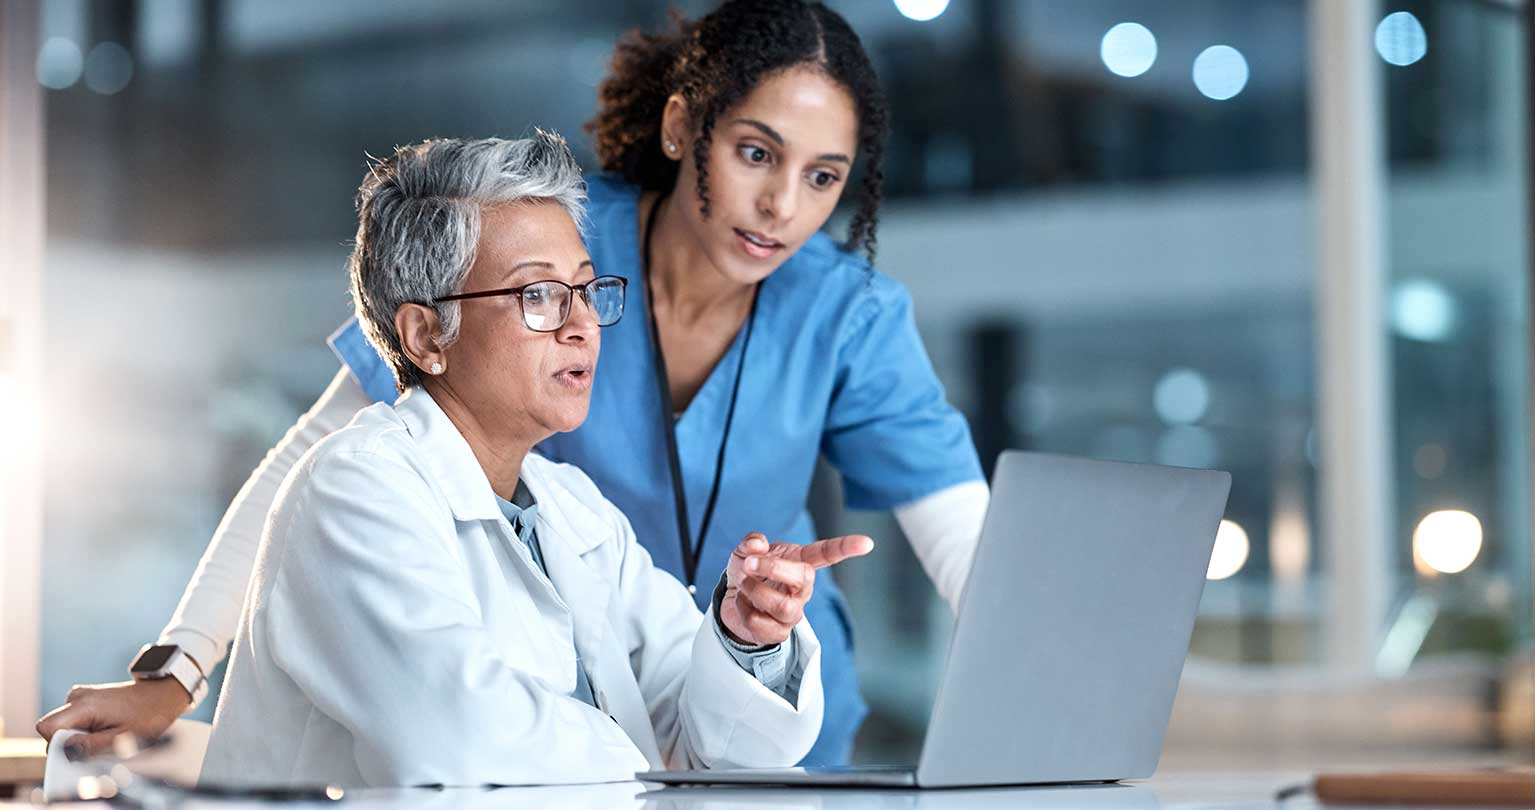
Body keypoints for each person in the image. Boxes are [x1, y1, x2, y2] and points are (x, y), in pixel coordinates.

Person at [37, 0, 987, 766]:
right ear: (681, 127)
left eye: (825, 177)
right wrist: (180, 665)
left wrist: (748, 637)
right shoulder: (544, 243)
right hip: (575, 744)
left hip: (701, 717)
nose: (783, 205)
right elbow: (310, 463)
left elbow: (972, 559)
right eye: (755, 153)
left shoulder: (833, 318)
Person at [198, 133, 871, 787]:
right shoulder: (356, 489)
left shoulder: (569, 505)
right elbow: (460, 740)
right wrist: (647, 759)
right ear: (426, 334)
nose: (580, 323)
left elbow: (714, 742)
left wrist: (744, 641)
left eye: (584, 289)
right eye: (538, 295)